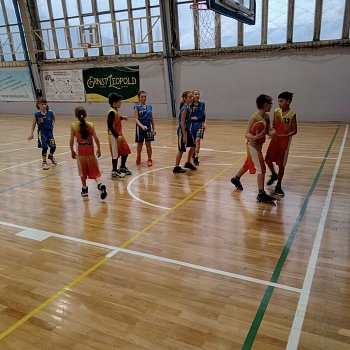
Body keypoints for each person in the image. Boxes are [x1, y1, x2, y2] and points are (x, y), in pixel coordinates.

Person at [230, 94, 276, 203]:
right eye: (270, 104)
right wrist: (254, 137)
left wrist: (272, 133)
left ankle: (235, 179)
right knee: (261, 169)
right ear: (265, 105)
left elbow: (268, 129)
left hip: (259, 147)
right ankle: (261, 194)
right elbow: (246, 134)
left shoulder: (267, 117)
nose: (271, 106)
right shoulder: (254, 118)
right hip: (252, 146)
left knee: (248, 164)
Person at [69, 107, 107, 199]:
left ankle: (85, 190)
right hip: (90, 149)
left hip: (81, 150)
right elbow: (96, 138)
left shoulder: (73, 125)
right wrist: (99, 149)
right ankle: (100, 184)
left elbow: (71, 140)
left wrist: (72, 151)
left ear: (76, 115)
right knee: (93, 170)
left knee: (82, 172)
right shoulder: (91, 124)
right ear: (85, 114)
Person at [265, 91, 297, 196]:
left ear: (288, 101)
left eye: (281, 101)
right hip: (275, 140)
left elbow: (294, 130)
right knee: (267, 160)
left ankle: (278, 185)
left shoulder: (292, 115)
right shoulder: (276, 111)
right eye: (278, 101)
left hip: (284, 143)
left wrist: (286, 135)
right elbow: (273, 124)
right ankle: (274, 174)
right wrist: (272, 131)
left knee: (281, 165)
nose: (279, 103)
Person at [27, 98, 57, 170]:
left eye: (45, 104)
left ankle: (51, 156)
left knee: (53, 146)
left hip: (50, 132)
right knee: (45, 147)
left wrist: (52, 125)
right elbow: (33, 125)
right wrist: (31, 134)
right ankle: (44, 162)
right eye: (42, 104)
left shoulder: (51, 112)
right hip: (42, 133)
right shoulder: (37, 114)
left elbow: (54, 119)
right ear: (38, 105)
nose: (44, 105)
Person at [107, 92, 131, 177]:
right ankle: (114, 170)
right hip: (114, 136)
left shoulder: (115, 110)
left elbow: (115, 119)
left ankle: (122, 166)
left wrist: (122, 118)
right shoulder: (111, 112)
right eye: (119, 102)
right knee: (115, 153)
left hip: (119, 134)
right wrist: (117, 136)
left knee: (125, 150)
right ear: (114, 103)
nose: (121, 103)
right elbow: (110, 126)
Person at [173, 91, 197, 173]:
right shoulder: (184, 109)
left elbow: (185, 119)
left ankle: (188, 162)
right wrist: (184, 135)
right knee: (181, 149)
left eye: (191, 97)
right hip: (182, 131)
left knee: (193, 145)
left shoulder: (188, 107)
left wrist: (191, 118)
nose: (191, 98)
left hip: (187, 130)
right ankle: (176, 167)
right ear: (185, 98)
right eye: (189, 97)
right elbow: (182, 122)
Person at [134, 90, 156, 167]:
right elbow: (136, 119)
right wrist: (142, 126)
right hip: (140, 127)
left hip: (148, 127)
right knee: (140, 144)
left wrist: (154, 128)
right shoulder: (136, 107)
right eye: (142, 97)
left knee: (148, 144)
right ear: (139, 98)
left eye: (145, 97)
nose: (144, 98)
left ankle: (149, 159)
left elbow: (152, 118)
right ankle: (138, 156)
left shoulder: (149, 106)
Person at [191, 89, 206, 165]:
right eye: (196, 94)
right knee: (193, 142)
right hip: (192, 125)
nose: (197, 95)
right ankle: (193, 153)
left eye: (198, 94)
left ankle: (196, 157)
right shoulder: (190, 105)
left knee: (198, 140)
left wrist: (204, 123)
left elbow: (204, 115)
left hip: (199, 124)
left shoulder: (202, 104)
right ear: (192, 96)